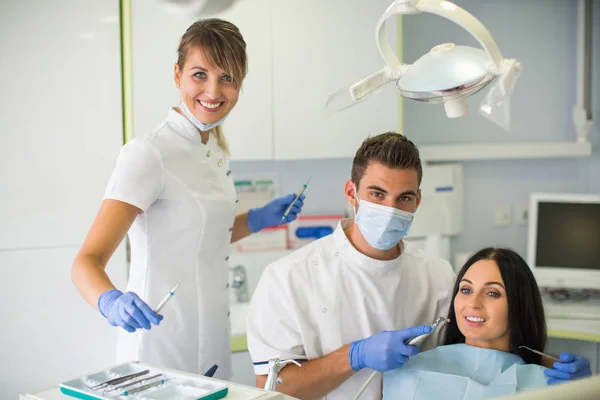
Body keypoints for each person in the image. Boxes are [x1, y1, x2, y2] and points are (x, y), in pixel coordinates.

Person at [246, 132, 591, 399]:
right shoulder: (289, 278)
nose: (390, 208)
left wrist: (558, 373)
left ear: (418, 200)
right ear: (351, 192)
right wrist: (355, 356)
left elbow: (482, 354)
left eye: (404, 198)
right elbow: (274, 389)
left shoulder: (437, 276)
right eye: (377, 194)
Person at [71, 18, 305, 380]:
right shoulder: (148, 154)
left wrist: (257, 220)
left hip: (211, 339)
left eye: (227, 78)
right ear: (177, 74)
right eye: (200, 74)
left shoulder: (213, 148)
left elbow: (197, 238)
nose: (213, 91)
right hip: (156, 345)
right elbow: (86, 261)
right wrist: (110, 301)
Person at [382, 248, 588, 398]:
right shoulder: (408, 371)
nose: (473, 303)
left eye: (492, 293)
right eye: (465, 290)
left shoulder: (549, 386)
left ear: (520, 305)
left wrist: (587, 391)